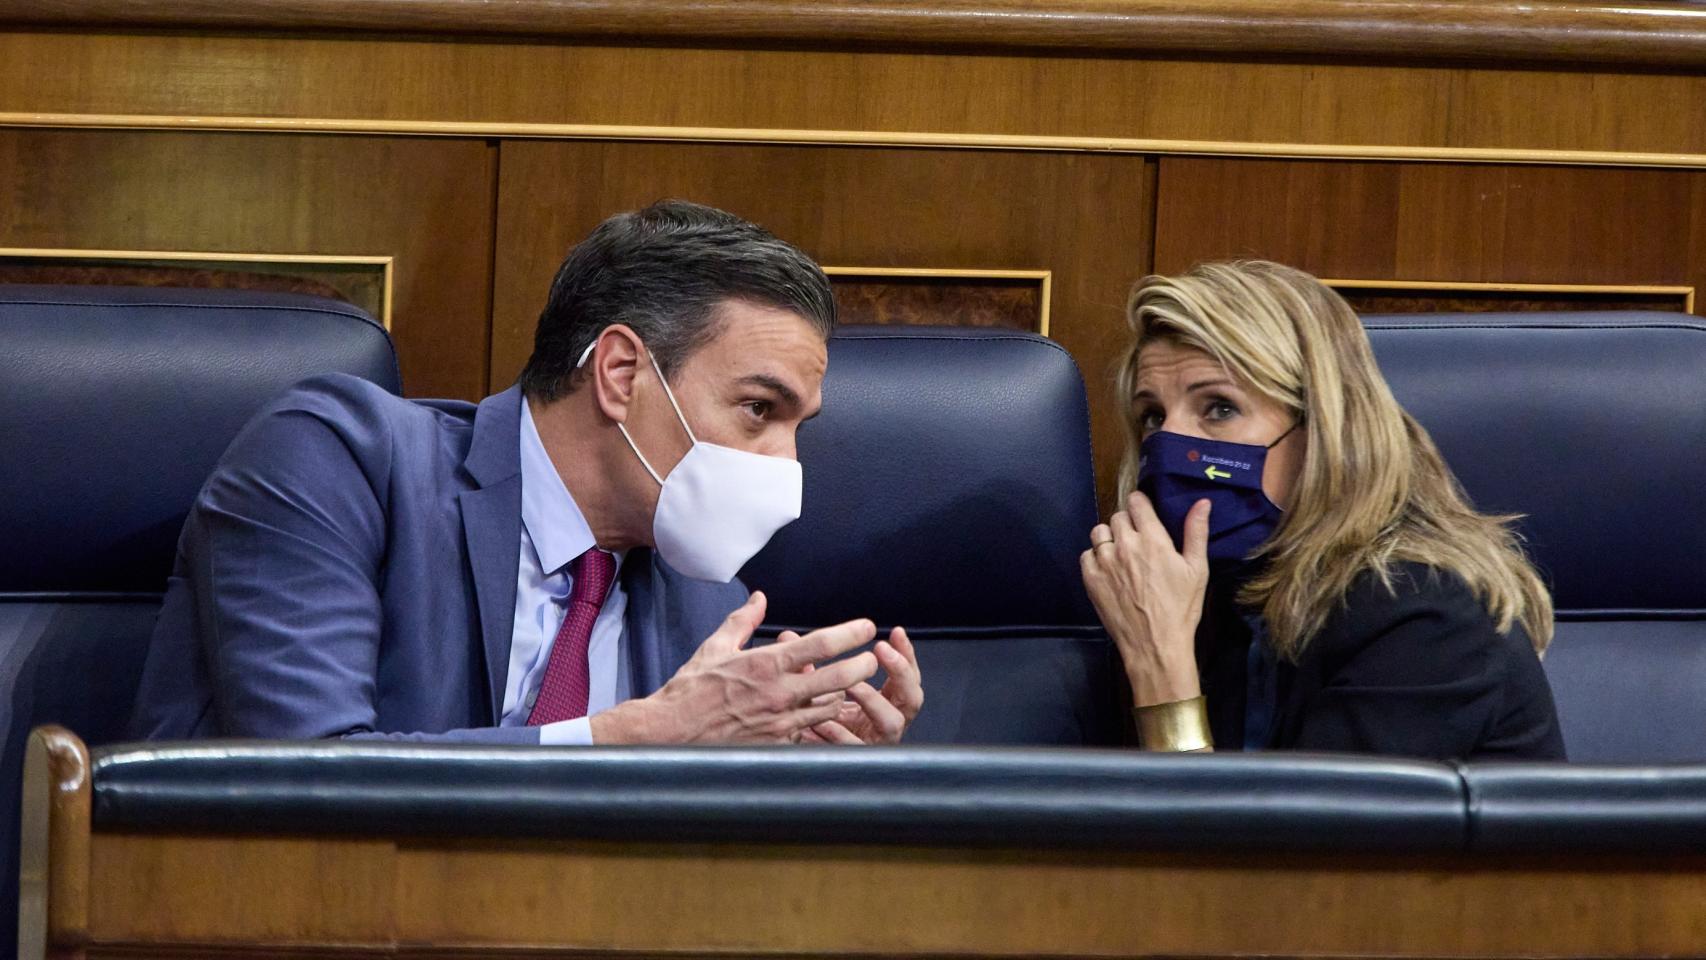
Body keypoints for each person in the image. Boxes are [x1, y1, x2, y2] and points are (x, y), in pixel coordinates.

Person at [129, 200, 923, 746]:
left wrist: (813, 786)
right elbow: (309, 783)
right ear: (619, 373)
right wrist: (641, 737)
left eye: (797, 428)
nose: (785, 468)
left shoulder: (706, 609)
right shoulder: (340, 463)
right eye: (758, 410)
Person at [1080, 260, 1563, 760]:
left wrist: (1163, 673)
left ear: (1324, 431)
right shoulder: (1207, 595)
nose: (1171, 442)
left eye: (1219, 408)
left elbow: (1282, 839)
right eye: (1153, 416)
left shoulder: (1424, 617)